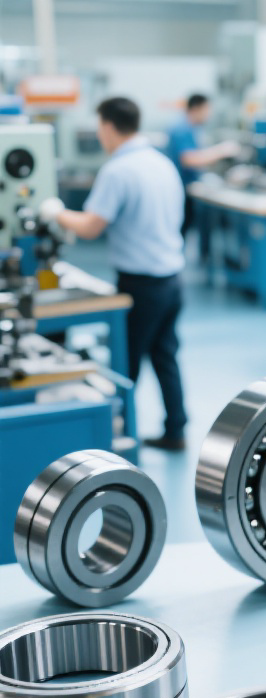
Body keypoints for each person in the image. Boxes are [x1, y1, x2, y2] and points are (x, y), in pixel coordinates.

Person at [41, 96, 189, 452]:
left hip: (141, 284)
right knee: (165, 356)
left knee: (126, 364)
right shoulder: (161, 162)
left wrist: (55, 212)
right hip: (172, 278)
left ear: (108, 126)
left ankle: (117, 440)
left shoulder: (118, 170)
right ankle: (176, 430)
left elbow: (91, 227)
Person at [166, 93, 240, 235]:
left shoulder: (193, 128)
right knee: (180, 230)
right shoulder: (182, 129)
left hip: (188, 187)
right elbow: (188, 160)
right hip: (180, 188)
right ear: (196, 108)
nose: (209, 115)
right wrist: (221, 151)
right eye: (207, 110)